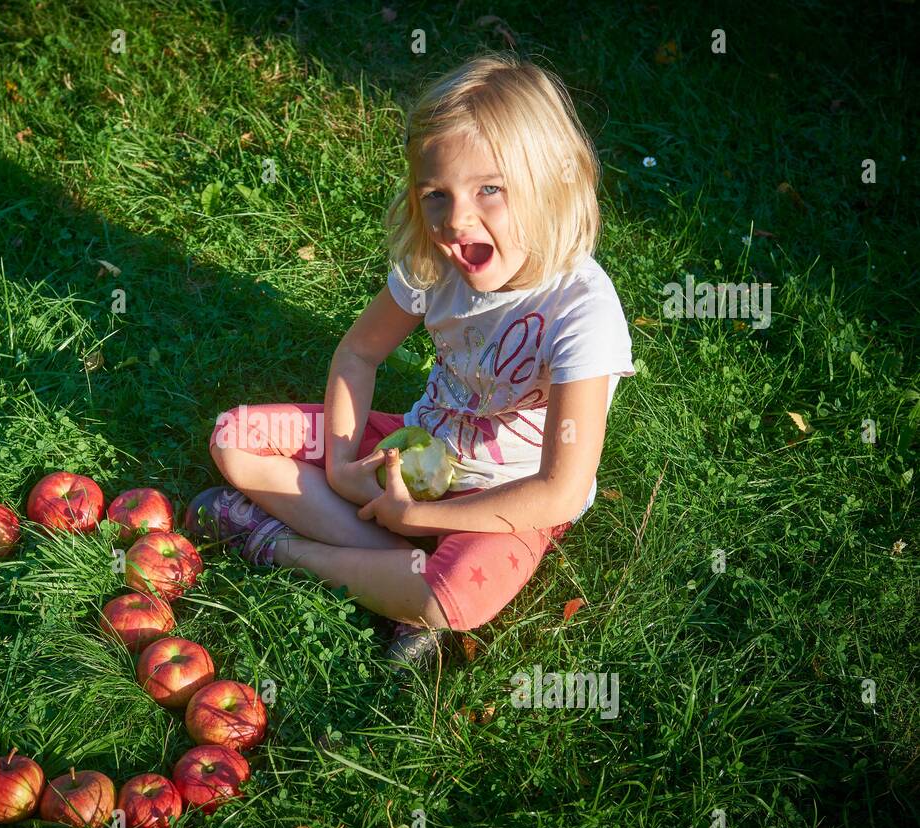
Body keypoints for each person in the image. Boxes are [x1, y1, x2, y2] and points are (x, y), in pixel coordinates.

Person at [186, 52, 635, 667]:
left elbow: (560, 491)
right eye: (436, 195)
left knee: (455, 597)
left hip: (507, 500)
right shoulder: (434, 267)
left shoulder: (582, 311)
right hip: (413, 452)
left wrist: (416, 516)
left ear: (553, 182)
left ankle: (281, 546)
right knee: (235, 439)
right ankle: (391, 578)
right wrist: (345, 462)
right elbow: (358, 352)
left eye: (490, 190)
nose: (456, 220)